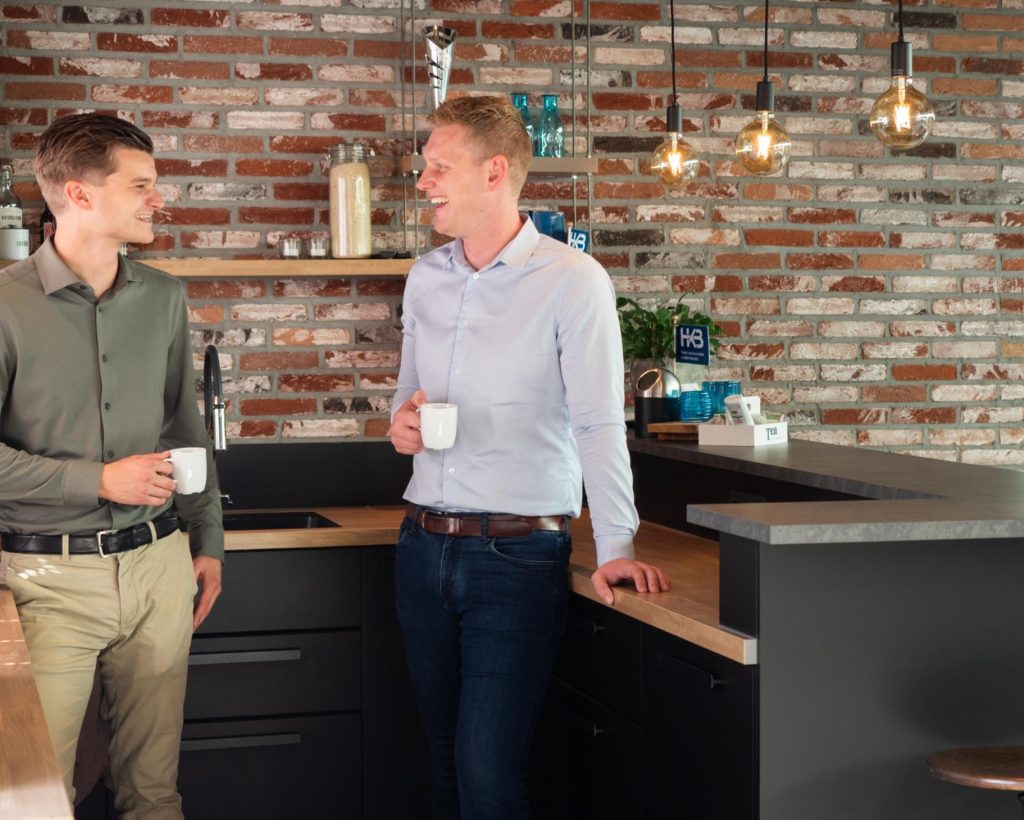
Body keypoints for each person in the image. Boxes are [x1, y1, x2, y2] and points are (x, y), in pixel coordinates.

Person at [388, 95, 671, 819]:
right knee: (443, 761)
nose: (423, 182)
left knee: (488, 772)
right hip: (422, 547)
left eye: (437, 167)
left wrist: (615, 543)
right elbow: (406, 403)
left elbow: (600, 422)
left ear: (496, 172)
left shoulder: (572, 280)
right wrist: (403, 429)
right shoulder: (427, 276)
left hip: (513, 560)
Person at [0, 113, 224, 818]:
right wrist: (95, 480)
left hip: (159, 569)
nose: (159, 200)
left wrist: (208, 538)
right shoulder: (5, 305)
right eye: (141, 185)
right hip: (46, 583)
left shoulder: (163, 297)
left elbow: (186, 426)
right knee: (37, 795)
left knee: (154, 792)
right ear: (81, 194)